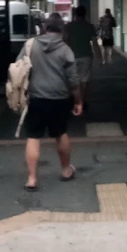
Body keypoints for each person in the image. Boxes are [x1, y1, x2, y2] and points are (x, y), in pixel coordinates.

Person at [18, 13, 82, 191]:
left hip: (35, 98)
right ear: (62, 30)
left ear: (45, 28)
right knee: (60, 133)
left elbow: (19, 67)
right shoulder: (65, 50)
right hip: (59, 99)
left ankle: (31, 179)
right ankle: (65, 170)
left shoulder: (30, 45)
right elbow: (74, 80)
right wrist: (78, 101)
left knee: (33, 136)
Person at [64, 5, 97, 108]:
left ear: (75, 14)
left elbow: (65, 41)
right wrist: (100, 58)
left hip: (71, 56)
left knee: (72, 79)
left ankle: (74, 100)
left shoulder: (69, 26)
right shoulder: (90, 26)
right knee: (84, 80)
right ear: (85, 14)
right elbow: (95, 43)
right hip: (86, 55)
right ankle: (81, 102)